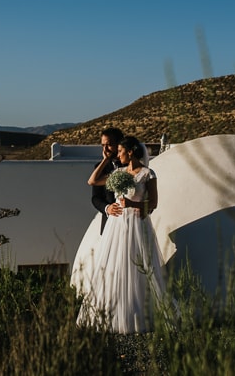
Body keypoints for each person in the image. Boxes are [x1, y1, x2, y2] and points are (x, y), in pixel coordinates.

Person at [77, 135, 168, 333]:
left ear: (130, 151)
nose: (117, 155)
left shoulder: (148, 174)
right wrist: (105, 159)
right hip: (116, 226)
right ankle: (112, 313)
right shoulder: (118, 172)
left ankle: (137, 314)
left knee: (138, 266)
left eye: (120, 151)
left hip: (137, 224)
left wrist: (132, 203)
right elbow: (92, 181)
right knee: (114, 265)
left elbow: (153, 203)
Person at [91, 127, 124, 234]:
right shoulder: (100, 168)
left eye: (109, 145)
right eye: (103, 145)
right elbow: (95, 197)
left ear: (119, 144)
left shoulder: (130, 166)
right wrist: (107, 208)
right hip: (109, 223)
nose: (105, 149)